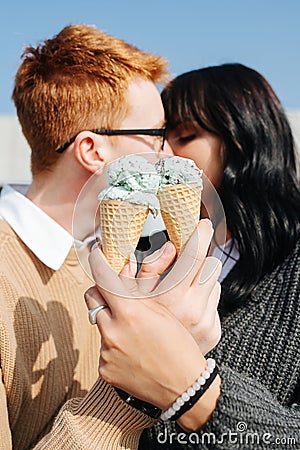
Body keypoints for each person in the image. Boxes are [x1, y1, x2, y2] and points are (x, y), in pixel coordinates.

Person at [0, 24, 222, 449]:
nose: (169, 154)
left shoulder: (132, 259)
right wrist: (129, 397)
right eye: (157, 135)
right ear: (92, 151)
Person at [138, 64, 300, 448]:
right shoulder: (154, 250)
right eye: (159, 138)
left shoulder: (292, 266)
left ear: (242, 137)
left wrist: (195, 392)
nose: (162, 154)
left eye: (183, 136)